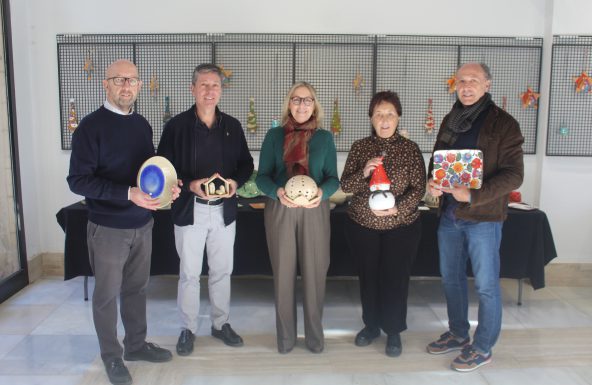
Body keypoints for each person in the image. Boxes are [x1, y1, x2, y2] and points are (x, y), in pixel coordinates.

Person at [67, 59, 176, 385]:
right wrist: (128, 194)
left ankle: (136, 345)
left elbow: (148, 173)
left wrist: (168, 185)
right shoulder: (90, 127)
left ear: (140, 85)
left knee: (137, 289)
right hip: (108, 228)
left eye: (132, 80)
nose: (126, 85)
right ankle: (112, 358)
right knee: (105, 296)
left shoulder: (142, 124)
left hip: (143, 224)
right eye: (119, 80)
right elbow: (78, 181)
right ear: (106, 84)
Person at [426, 62, 524, 372]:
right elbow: (438, 160)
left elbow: (514, 176)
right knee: (451, 280)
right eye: (461, 81)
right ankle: (457, 333)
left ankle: (482, 347)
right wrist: (433, 181)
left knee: (485, 286)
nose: (466, 86)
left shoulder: (504, 124)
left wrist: (473, 194)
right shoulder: (450, 119)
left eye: (474, 81)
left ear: (487, 85)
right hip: (449, 215)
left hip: (484, 217)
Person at [157, 64, 254, 356]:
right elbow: (164, 167)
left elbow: (246, 164)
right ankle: (187, 329)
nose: (209, 91)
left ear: (221, 90)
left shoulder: (232, 126)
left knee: (222, 271)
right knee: (188, 273)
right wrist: (190, 185)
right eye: (204, 85)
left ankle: (220, 323)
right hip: (190, 210)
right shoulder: (175, 127)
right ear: (192, 89)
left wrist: (236, 182)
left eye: (215, 85)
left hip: (224, 210)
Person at [256, 82, 339, 354]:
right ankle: (285, 340)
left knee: (315, 274)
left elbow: (332, 179)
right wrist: (277, 191)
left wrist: (321, 192)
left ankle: (315, 339)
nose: (302, 105)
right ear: (288, 103)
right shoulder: (273, 136)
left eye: (307, 100)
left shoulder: (324, 138)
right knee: (283, 275)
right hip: (281, 209)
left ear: (314, 105)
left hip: (315, 210)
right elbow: (262, 177)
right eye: (296, 99)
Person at [340, 91, 425, 357]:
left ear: (398, 117)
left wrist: (397, 209)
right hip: (363, 227)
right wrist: (364, 171)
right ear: (371, 118)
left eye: (389, 114)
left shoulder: (410, 149)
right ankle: (371, 326)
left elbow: (418, 188)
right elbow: (345, 185)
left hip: (401, 227)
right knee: (369, 279)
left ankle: (394, 330)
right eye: (379, 114)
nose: (384, 119)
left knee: (395, 279)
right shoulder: (360, 147)